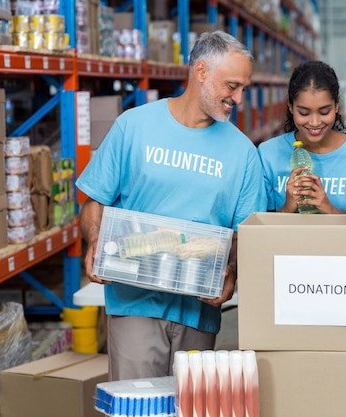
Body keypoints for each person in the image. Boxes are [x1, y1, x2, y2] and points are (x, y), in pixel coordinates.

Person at [76, 31, 266, 381]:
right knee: (137, 404)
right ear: (201, 72)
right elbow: (95, 201)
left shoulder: (243, 153)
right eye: (232, 86)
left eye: (243, 89)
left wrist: (233, 274)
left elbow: (246, 232)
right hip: (135, 301)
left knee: (190, 405)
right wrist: (93, 241)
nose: (238, 98)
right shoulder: (133, 126)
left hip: (198, 310)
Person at [257, 60, 346, 214]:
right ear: (291, 107)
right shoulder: (268, 154)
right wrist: (287, 208)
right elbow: (258, 229)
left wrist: (330, 210)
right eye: (304, 113)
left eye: (324, 112)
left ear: (337, 104)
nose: (314, 122)